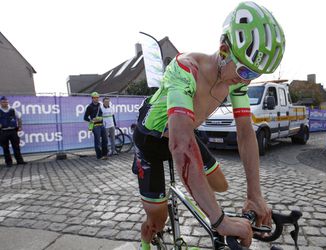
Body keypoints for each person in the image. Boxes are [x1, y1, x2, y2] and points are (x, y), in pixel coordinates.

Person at [132, 2, 285, 249]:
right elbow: (180, 145)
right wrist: (220, 220)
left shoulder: (235, 81)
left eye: (254, 75)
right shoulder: (185, 69)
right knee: (157, 218)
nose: (247, 79)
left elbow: (246, 133)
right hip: (151, 140)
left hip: (182, 132)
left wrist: (254, 194)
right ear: (224, 50)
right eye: (246, 71)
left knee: (220, 185)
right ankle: (145, 243)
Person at [0, 96, 27, 167]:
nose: (5, 103)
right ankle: (9, 162)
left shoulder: (12, 109)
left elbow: (19, 117)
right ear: (0, 103)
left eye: (6, 102)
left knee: (16, 146)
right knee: (5, 148)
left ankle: (20, 161)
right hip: (3, 131)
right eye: (3, 102)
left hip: (13, 131)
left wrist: (20, 126)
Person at [84, 92, 108, 160]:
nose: (96, 99)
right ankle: (99, 156)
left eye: (97, 97)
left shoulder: (101, 105)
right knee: (97, 142)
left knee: (105, 140)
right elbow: (85, 117)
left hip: (102, 125)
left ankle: (105, 155)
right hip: (95, 126)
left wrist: (101, 117)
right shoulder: (89, 107)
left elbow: (103, 113)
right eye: (95, 98)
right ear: (92, 98)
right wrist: (91, 120)